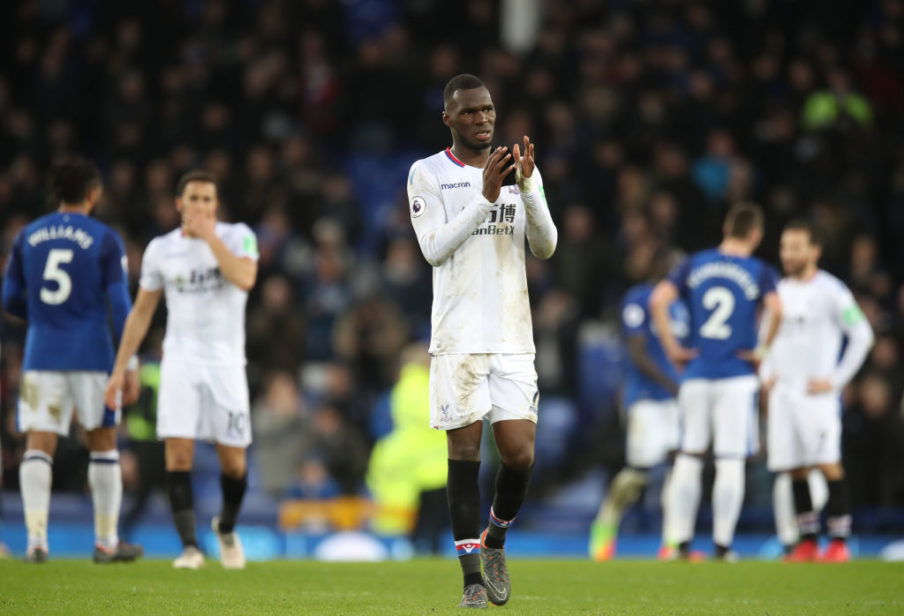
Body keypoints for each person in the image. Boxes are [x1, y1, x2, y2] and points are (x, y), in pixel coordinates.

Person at [407, 73, 557, 608]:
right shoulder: (427, 174)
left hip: (513, 336)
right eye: (470, 112)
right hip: (459, 339)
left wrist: (530, 189)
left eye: (488, 109)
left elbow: (544, 246)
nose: (483, 118)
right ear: (449, 118)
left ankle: (495, 538)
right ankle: (471, 577)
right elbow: (432, 249)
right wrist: (484, 199)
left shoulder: (518, 169)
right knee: (465, 453)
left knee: (519, 455)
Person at [104, 170, 258, 570]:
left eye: (209, 199)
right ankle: (190, 547)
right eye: (194, 199)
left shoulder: (238, 235)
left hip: (225, 362)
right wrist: (120, 368)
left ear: (216, 205)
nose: (202, 207)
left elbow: (244, 278)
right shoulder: (161, 249)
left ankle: (225, 527)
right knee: (178, 452)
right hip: (181, 360)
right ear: (179, 204)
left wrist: (209, 239)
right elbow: (141, 313)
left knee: (234, 463)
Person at [1, 158, 142, 563]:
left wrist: (45, 319)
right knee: (102, 442)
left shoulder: (27, 235)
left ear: (56, 194)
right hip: (92, 353)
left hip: (41, 353)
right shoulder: (104, 237)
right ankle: (105, 541)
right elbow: (119, 304)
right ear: (93, 194)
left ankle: (35, 541)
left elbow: (9, 298)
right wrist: (128, 364)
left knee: (38, 444)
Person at [651, 203, 782, 561]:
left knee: (690, 456)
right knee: (729, 459)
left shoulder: (695, 263)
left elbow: (658, 300)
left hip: (696, 373)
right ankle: (722, 546)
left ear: (727, 227)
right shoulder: (759, 270)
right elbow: (777, 308)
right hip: (737, 376)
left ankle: (679, 543)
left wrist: (673, 349)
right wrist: (763, 350)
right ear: (755, 234)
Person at [762, 220, 873, 562]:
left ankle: (839, 541)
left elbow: (863, 335)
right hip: (785, 395)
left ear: (814, 251)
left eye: (795, 247)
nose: (788, 254)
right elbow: (765, 338)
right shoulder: (778, 291)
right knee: (794, 468)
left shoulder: (832, 291)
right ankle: (807, 542)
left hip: (816, 397)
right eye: (784, 247)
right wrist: (767, 373)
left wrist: (836, 379)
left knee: (827, 463)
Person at [589, 252, 688, 561]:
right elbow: (637, 351)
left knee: (679, 469)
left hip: (676, 400)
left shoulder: (684, 307)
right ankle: (606, 523)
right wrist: (672, 383)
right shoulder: (640, 298)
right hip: (645, 398)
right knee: (639, 473)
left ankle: (673, 542)